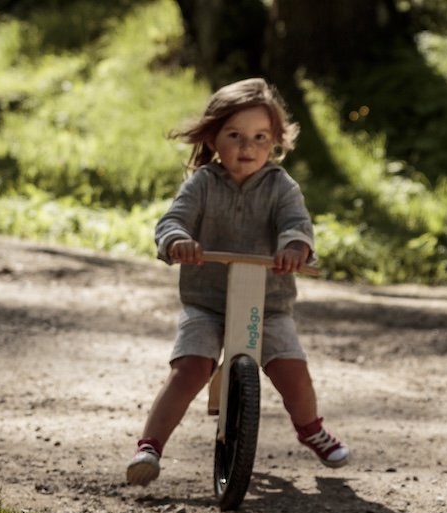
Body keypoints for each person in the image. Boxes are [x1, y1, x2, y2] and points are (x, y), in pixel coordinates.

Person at [126, 78, 350, 487]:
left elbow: (296, 224)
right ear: (213, 138)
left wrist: (294, 247)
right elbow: (172, 220)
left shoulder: (282, 187)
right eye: (235, 136)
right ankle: (150, 446)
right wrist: (178, 241)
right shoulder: (202, 185)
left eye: (259, 137)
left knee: (292, 370)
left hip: (269, 303)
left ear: (276, 141)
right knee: (189, 367)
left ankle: (311, 427)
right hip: (207, 302)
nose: (247, 147)